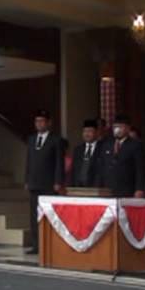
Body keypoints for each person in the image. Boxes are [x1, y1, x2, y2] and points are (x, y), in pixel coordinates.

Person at [24, 109, 66, 254]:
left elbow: (59, 163)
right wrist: (27, 179)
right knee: (34, 215)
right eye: (37, 121)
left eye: (42, 121)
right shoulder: (31, 139)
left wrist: (58, 181)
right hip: (34, 183)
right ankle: (36, 245)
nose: (39, 124)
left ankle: (50, 244)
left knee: (49, 215)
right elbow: (28, 161)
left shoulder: (56, 140)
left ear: (49, 123)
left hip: (49, 184)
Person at [98, 115, 145, 198]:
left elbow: (140, 168)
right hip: (107, 189)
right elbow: (101, 166)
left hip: (126, 189)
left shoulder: (135, 145)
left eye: (120, 127)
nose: (117, 130)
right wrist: (99, 186)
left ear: (128, 128)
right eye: (115, 127)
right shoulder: (106, 144)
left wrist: (139, 188)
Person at [71, 119, 103, 188]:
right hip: (78, 188)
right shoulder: (78, 149)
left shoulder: (103, 148)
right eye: (85, 131)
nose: (87, 134)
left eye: (90, 131)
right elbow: (73, 170)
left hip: (96, 188)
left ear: (97, 132)